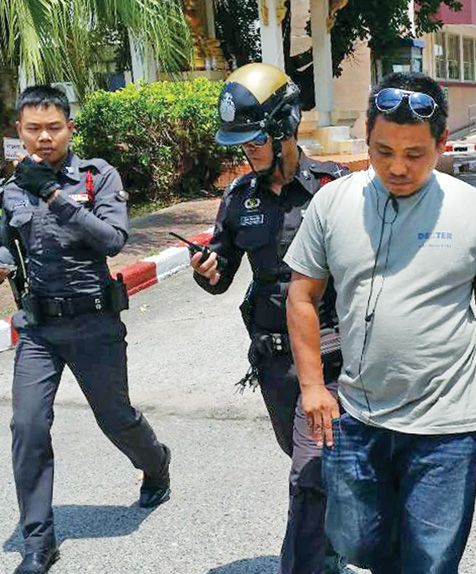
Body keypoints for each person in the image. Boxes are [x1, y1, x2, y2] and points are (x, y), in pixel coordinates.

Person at [284, 71, 476, 573]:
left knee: (431, 561)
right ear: (366, 136)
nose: (397, 167)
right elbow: (302, 296)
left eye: (415, 154)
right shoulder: (333, 202)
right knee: (354, 542)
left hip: (448, 426)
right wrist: (312, 386)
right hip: (357, 416)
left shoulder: (475, 211)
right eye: (383, 151)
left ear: (442, 143)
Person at [0, 85, 171, 574]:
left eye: (54, 127)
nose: (44, 137)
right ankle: (38, 542)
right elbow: (7, 249)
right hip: (39, 329)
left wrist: (53, 195)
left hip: (94, 323)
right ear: (20, 133)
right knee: (28, 426)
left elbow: (113, 240)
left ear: (70, 128)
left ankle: (156, 463)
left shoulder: (97, 177)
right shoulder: (10, 190)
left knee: (116, 418)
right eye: (34, 129)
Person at [190, 63, 349, 574]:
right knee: (307, 461)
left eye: (256, 138)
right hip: (274, 364)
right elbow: (222, 270)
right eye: (240, 142)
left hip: (331, 359)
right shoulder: (240, 197)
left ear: (286, 126)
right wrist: (207, 270)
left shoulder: (334, 188)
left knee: (310, 470)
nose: (249, 150)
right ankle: (330, 544)